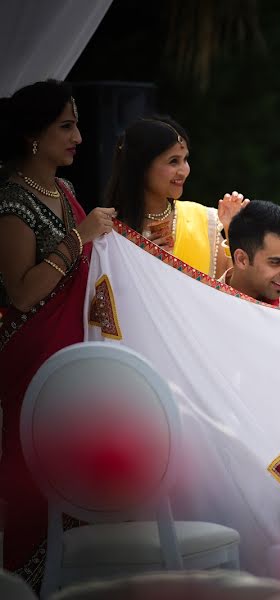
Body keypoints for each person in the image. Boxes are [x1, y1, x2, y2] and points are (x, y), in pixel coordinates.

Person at [0, 80, 115, 588]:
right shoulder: (11, 200)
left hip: (70, 359)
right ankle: (24, 585)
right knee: (33, 473)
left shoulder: (64, 192)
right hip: (31, 360)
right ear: (33, 135)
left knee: (76, 469)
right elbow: (22, 293)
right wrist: (79, 237)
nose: (79, 138)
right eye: (66, 126)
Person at [103, 116, 247, 279]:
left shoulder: (204, 221)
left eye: (185, 159)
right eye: (173, 161)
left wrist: (234, 234)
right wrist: (137, 264)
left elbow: (234, 291)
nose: (184, 170)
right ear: (141, 167)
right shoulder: (109, 231)